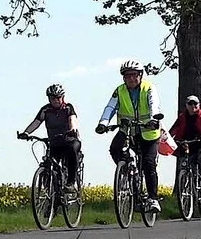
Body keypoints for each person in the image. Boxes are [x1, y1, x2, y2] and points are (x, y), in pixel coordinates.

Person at [94, 59, 163, 213]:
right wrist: (103, 123)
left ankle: (153, 199)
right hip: (128, 130)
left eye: (134, 75)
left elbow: (154, 104)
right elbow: (110, 107)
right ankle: (127, 169)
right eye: (127, 76)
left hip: (148, 132)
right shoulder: (120, 90)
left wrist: (153, 119)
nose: (130, 79)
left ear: (140, 75)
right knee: (114, 148)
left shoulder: (148, 88)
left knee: (148, 163)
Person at [16, 83, 81, 192]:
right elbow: (36, 122)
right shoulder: (45, 110)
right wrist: (26, 133)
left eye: (57, 98)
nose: (55, 100)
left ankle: (71, 182)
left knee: (72, 151)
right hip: (55, 142)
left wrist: (73, 130)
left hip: (70, 140)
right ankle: (50, 194)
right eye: (52, 98)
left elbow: (72, 119)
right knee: (49, 162)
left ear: (62, 97)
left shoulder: (68, 107)